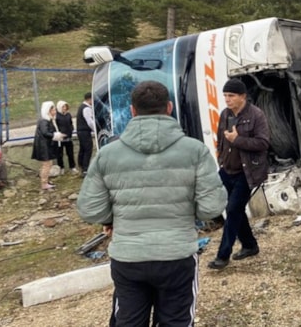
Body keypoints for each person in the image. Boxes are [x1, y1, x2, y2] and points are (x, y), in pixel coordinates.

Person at [77, 81, 226, 326]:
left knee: (128, 321)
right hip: (177, 254)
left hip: (129, 256)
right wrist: (188, 212)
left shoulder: (107, 154)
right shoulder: (195, 150)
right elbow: (211, 206)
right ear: (169, 108)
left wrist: (111, 218)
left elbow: (89, 208)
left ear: (133, 111)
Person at [208, 78, 270, 270]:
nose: (227, 99)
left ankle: (222, 255)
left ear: (242, 96)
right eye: (225, 95)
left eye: (231, 96)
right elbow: (220, 139)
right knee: (235, 209)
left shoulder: (256, 115)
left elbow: (263, 143)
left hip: (247, 171)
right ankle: (250, 245)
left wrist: (238, 139)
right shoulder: (225, 114)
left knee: (233, 209)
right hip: (227, 169)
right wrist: (220, 159)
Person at [31, 101, 64, 191]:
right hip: (43, 147)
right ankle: (44, 183)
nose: (55, 111)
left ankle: (46, 181)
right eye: (53, 109)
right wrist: (55, 135)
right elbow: (45, 133)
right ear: (48, 111)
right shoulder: (43, 121)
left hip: (46, 146)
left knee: (49, 164)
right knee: (46, 165)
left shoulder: (48, 120)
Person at [55, 101, 78, 175]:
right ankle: (61, 168)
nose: (64, 108)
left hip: (68, 137)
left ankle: (72, 167)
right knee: (59, 154)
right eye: (63, 107)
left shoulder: (68, 115)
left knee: (70, 153)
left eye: (65, 107)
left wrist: (71, 130)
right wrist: (59, 133)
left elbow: (70, 123)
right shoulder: (56, 116)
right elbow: (55, 126)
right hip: (60, 139)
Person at [76, 92, 95, 177]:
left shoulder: (82, 107)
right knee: (88, 149)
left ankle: (81, 166)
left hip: (81, 131)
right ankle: (85, 168)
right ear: (89, 99)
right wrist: (95, 129)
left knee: (83, 149)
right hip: (84, 131)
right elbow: (90, 122)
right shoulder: (86, 109)